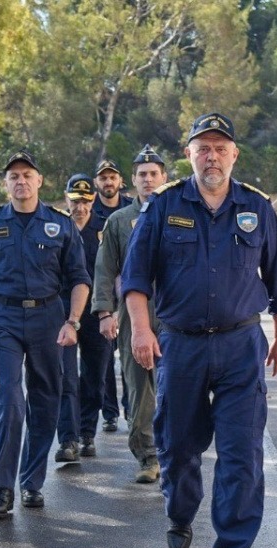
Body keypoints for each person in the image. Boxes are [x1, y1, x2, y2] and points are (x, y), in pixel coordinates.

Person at [122, 112, 277, 548]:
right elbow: (135, 279)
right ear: (189, 154)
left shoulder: (257, 209)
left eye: (220, 147)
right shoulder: (163, 207)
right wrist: (141, 331)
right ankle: (180, 513)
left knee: (242, 452)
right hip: (181, 345)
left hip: (242, 345)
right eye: (203, 147)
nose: (212, 155)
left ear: (234, 154)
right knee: (178, 446)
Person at [0, 151, 90, 517]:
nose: (21, 181)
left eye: (27, 175)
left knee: (45, 402)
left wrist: (72, 321)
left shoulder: (60, 223)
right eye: (13, 176)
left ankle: (31, 482)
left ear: (40, 181)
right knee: (7, 400)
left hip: (48, 318)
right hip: (3, 317)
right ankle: (2, 487)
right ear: (5, 184)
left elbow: (79, 279)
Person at [92, 145, 168, 484]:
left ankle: (174, 451)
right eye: (142, 174)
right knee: (139, 388)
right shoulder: (119, 221)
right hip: (133, 312)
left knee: (176, 385)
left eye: (153, 173)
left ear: (164, 177)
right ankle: (148, 456)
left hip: (173, 313)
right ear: (133, 181)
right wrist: (105, 312)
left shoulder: (178, 214)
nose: (148, 179)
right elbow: (105, 268)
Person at [54, 174, 114, 462]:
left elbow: (114, 273)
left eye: (86, 201)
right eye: (75, 201)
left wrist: (112, 312)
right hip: (62, 310)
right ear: (67, 199)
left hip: (97, 311)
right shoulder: (56, 229)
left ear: (93, 200)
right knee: (65, 377)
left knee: (95, 375)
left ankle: (87, 432)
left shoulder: (104, 230)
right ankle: (67, 439)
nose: (81, 207)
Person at [93, 159, 131, 431]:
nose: (108, 182)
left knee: (129, 356)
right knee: (104, 360)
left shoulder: (131, 209)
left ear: (120, 181)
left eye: (112, 177)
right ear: (97, 183)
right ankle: (109, 413)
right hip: (103, 297)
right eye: (103, 178)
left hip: (130, 298)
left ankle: (131, 406)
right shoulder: (88, 211)